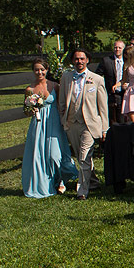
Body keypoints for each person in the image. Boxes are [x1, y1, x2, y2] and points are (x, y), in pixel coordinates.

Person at [58, 49, 109, 199]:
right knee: (82, 156)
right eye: (76, 59)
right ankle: (93, 181)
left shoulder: (97, 79)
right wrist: (63, 119)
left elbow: (103, 107)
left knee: (83, 157)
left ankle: (82, 191)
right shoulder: (66, 77)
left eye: (82, 59)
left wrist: (104, 128)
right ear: (73, 61)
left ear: (87, 60)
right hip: (71, 123)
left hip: (89, 124)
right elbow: (62, 101)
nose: (79, 62)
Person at [21, 58, 76, 197]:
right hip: (38, 124)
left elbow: (60, 105)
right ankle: (45, 183)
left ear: (47, 70)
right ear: (33, 71)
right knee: (39, 154)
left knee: (54, 154)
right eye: (36, 69)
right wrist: (31, 110)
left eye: (42, 69)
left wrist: (64, 122)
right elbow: (26, 111)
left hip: (54, 122)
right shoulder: (30, 89)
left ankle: (61, 180)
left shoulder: (55, 86)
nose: (39, 72)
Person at [98, 39, 126, 123]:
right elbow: (98, 74)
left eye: (119, 48)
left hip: (124, 94)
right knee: (112, 119)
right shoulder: (106, 61)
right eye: (115, 47)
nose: (117, 49)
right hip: (111, 94)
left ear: (123, 49)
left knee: (123, 119)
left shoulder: (127, 60)